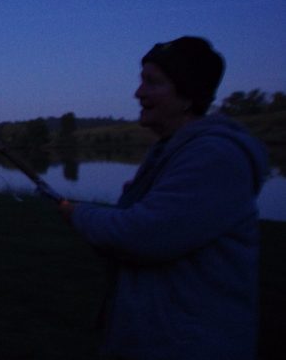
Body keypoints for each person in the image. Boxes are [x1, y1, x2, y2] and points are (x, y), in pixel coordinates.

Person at [58, 36, 268, 360]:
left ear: (187, 95)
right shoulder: (172, 150)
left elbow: (139, 235)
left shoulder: (214, 156)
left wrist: (75, 213)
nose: (137, 93)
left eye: (151, 83)